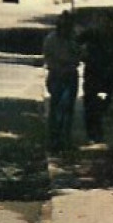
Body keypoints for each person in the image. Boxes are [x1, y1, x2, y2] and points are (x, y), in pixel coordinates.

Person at [42, 12, 81, 152]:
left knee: (68, 108)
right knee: (56, 107)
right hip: (57, 76)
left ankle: (65, 139)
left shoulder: (73, 39)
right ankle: (54, 139)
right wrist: (59, 67)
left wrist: (70, 64)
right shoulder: (51, 39)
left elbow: (78, 56)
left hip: (70, 75)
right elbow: (48, 58)